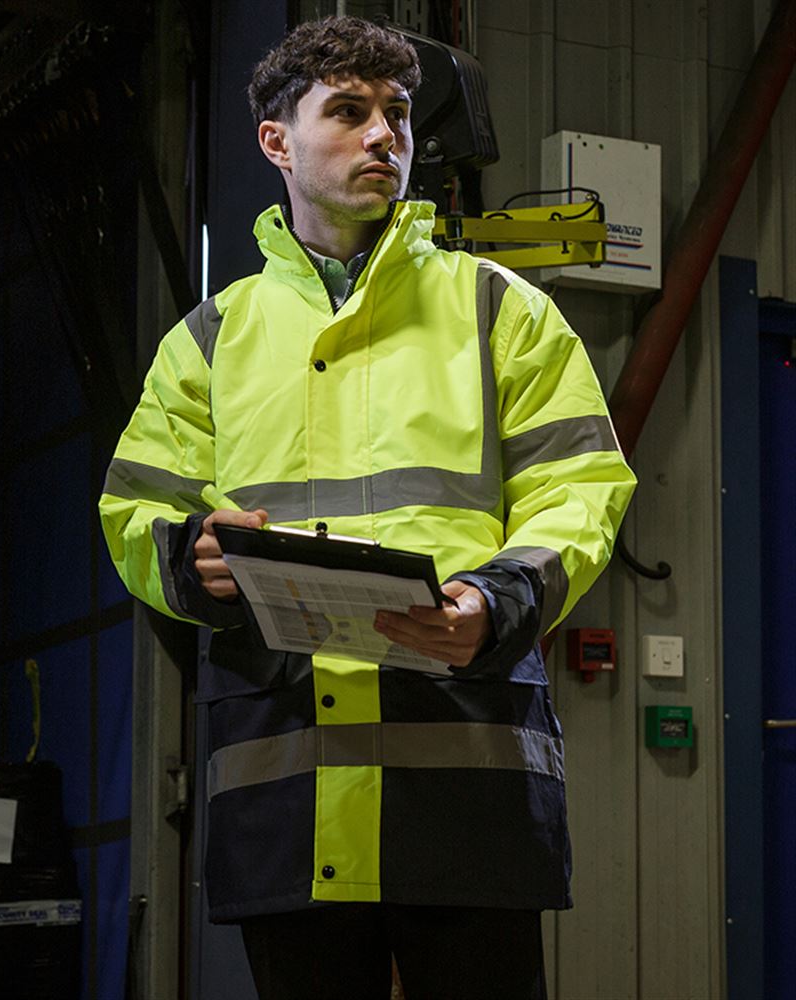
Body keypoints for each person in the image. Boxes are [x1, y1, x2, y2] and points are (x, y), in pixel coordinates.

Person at [100, 15, 635, 999]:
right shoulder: (210, 339)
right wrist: (190, 556)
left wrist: (493, 602)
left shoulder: (499, 309)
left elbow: (581, 488)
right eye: (348, 112)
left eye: (396, 114)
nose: (384, 134)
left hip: (463, 769)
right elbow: (136, 509)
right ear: (277, 142)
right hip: (287, 782)